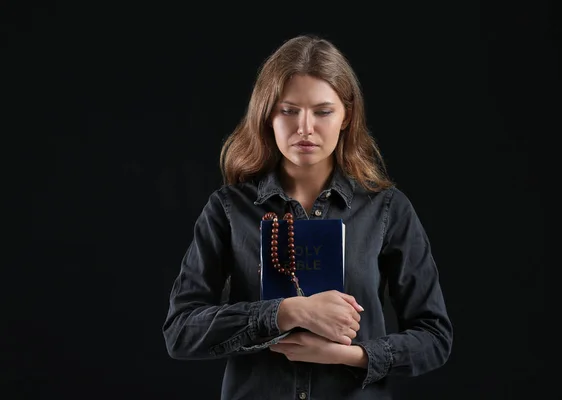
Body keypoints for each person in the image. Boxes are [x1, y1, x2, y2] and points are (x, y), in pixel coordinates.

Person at [162, 34, 452, 400]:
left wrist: (351, 356)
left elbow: (435, 337)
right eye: (288, 110)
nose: (304, 128)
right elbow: (181, 331)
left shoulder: (387, 209)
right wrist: (286, 312)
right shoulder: (228, 209)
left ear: (346, 115)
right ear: (268, 115)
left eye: (322, 111)